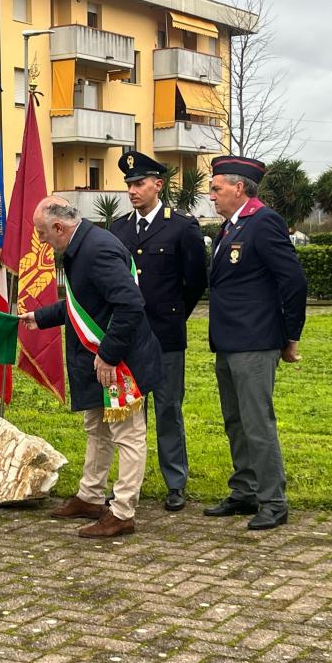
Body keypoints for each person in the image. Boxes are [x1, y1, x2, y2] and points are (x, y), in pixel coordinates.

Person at [19, 197, 161, 538]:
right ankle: (90, 496)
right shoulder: (80, 246)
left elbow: (130, 305)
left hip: (119, 361)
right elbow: (82, 302)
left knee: (128, 436)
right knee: (96, 428)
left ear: (58, 227)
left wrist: (110, 355)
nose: (41, 240)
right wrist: (40, 316)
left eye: (41, 233)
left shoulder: (96, 250)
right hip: (99, 359)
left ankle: (123, 511)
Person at [205, 156, 307, 530]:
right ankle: (246, 491)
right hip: (229, 341)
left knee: (256, 422)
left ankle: (273, 501)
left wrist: (291, 335)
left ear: (239, 188)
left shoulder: (263, 222)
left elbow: (293, 281)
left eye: (216, 188)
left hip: (255, 342)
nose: (211, 195)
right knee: (236, 421)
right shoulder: (231, 227)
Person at [110, 151, 208, 512]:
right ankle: (127, 483)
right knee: (127, 412)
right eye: (129, 185)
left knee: (168, 408)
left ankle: (175, 482)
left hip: (165, 334)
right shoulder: (118, 229)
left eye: (139, 183)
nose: (133, 191)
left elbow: (195, 280)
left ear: (158, 185)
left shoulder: (182, 227)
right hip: (129, 336)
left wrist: (173, 314)